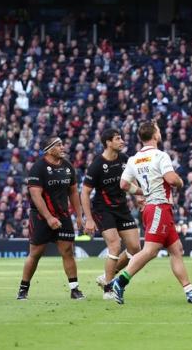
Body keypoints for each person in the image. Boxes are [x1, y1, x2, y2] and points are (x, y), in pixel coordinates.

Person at [109, 121, 192, 305]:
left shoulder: (134, 159)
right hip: (159, 207)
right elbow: (172, 179)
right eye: (158, 130)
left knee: (177, 249)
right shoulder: (160, 155)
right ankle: (119, 281)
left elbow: (123, 185)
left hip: (153, 207)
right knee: (150, 250)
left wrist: (142, 192)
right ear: (155, 135)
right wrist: (180, 182)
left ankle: (190, 291)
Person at [17, 136, 86, 301]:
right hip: (41, 217)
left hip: (63, 216)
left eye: (62, 144)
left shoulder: (68, 166)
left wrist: (78, 215)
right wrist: (48, 218)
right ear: (49, 149)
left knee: (68, 251)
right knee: (36, 253)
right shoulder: (38, 168)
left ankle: (74, 289)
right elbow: (36, 195)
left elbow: (73, 192)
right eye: (59, 145)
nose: (63, 147)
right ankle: (23, 289)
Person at [81, 128, 142, 300]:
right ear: (108, 142)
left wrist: (139, 197)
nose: (122, 141)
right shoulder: (97, 165)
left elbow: (131, 179)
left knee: (135, 249)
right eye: (117, 138)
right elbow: (84, 192)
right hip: (103, 209)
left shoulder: (124, 159)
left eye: (121, 138)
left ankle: (108, 275)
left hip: (122, 208)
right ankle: (108, 289)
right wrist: (89, 219)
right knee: (115, 246)